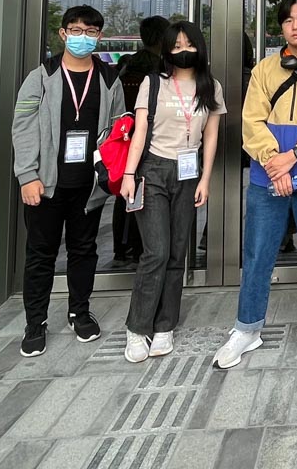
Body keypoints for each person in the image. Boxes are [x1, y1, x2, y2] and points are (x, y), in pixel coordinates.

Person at [213, 0, 297, 368]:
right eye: (288, 20)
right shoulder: (264, 69)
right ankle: (247, 327)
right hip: (267, 173)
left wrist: (295, 155)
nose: (296, 25)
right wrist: (276, 162)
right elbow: (251, 121)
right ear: (281, 27)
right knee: (258, 252)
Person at [12, 5, 126, 357]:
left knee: (84, 250)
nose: (83, 37)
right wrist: (27, 175)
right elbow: (23, 128)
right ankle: (36, 323)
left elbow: (118, 129)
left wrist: (109, 176)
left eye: (90, 32)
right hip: (46, 183)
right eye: (76, 30)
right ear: (63, 34)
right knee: (41, 254)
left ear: (99, 37)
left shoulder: (109, 78)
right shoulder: (41, 77)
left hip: (88, 186)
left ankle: (79, 311)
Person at [119, 21, 223, 362]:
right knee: (156, 252)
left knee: (178, 252)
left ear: (199, 47)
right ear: (166, 50)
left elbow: (210, 135)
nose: (183, 51)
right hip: (153, 170)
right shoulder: (153, 83)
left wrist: (205, 179)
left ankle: (165, 325)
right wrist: (129, 173)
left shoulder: (211, 86)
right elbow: (140, 131)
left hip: (188, 173)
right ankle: (137, 328)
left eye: (189, 45)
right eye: (176, 46)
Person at [112, 15, 171, 266]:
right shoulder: (158, 69)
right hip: (150, 139)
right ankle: (139, 247)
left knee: (125, 191)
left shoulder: (129, 65)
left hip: (126, 136)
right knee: (145, 195)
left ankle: (121, 247)